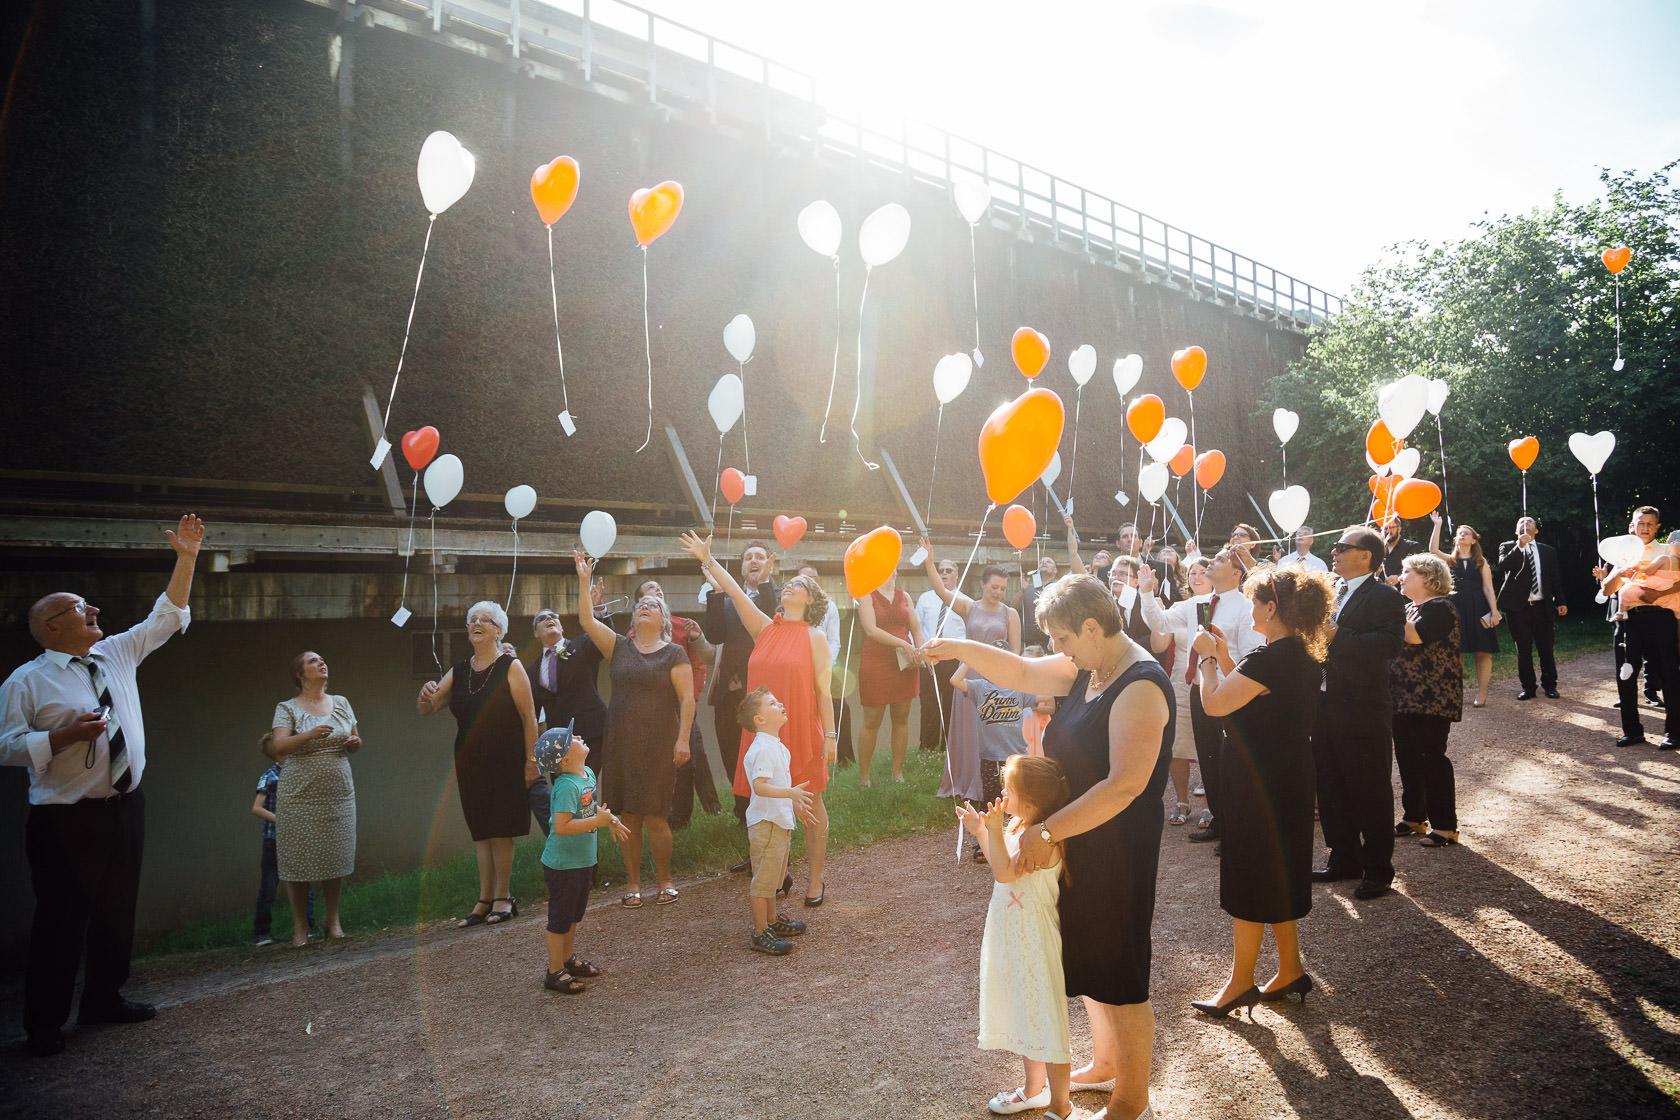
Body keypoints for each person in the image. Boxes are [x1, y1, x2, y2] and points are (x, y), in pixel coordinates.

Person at [923, 574, 1174, 1120]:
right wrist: (955, 647)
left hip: (1117, 850)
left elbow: (1125, 785)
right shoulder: (1090, 668)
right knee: (1087, 959)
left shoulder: (1140, 684)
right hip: (1077, 840)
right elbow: (1018, 672)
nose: (1057, 651)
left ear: (1091, 626)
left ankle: (1131, 1099)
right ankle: (1104, 1065)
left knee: (1122, 971)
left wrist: (1045, 831)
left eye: (1062, 638)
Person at [0, 514, 204, 1057]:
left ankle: (103, 1000)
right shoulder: (26, 681)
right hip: (65, 818)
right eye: (78, 608)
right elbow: (4, 745)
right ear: (51, 628)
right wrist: (63, 736)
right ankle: (44, 1023)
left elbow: (167, 616)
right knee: (62, 919)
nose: (93, 611)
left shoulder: (115, 653)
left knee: (118, 909)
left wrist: (185, 558)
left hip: (125, 805)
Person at [1189, 565, 1334, 1016]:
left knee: (1251, 872)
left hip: (1259, 782)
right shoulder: (1299, 654)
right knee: (1279, 869)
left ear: (1271, 608)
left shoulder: (1271, 659)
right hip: (1288, 774)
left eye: (1255, 601)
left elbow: (1216, 703)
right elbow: (1250, 693)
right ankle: (1290, 967)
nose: (1249, 607)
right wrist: (1228, 657)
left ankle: (1239, 983)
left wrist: (1207, 657)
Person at [681, 531, 836, 904]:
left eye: (799, 585)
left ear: (811, 599)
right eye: (791, 583)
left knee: (810, 807)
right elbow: (734, 591)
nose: (790, 587)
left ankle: (816, 880)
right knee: (766, 807)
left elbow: (823, 692)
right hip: (764, 734)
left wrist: (830, 736)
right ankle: (777, 875)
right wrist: (709, 559)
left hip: (799, 729)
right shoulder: (765, 628)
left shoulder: (815, 637)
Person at [572, 552, 695, 906]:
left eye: (652, 606)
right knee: (627, 814)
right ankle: (633, 883)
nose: (644, 608)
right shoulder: (619, 646)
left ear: (663, 620)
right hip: (621, 742)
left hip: (660, 742)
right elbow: (585, 620)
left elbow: (687, 700)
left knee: (656, 815)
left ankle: (666, 879)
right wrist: (583, 582)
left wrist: (683, 739)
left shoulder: (674, 653)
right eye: (640, 605)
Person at [957, 755, 1073, 1120]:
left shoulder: (1041, 838)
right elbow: (999, 864)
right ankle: (1033, 1089)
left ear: (1033, 801)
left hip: (1036, 939)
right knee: (1026, 1012)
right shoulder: (1020, 826)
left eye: (1010, 788)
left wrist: (992, 830)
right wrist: (981, 832)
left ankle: (1061, 1103)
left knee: (1047, 1015)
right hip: (1014, 933)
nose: (1003, 792)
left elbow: (1006, 875)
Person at [416, 602, 540, 926]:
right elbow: (428, 708)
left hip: (508, 758)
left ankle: (504, 896)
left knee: (502, 829)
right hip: (470, 761)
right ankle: (484, 900)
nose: (476, 623)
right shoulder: (459, 670)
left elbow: (529, 718)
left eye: (485, 620)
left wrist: (532, 762)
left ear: (499, 630)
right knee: (482, 831)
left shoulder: (511, 666)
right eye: (472, 620)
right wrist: (424, 693)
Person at [1139, 550, 1261, 845]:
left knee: (1232, 760)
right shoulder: (1195, 604)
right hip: (1199, 691)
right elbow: (1160, 622)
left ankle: (1237, 827)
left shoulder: (1246, 608)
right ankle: (1219, 822)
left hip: (1231, 692)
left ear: (1235, 573)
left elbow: (1250, 656)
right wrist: (1145, 591)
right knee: (1208, 757)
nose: (1209, 566)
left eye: (1218, 562)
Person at [1312, 527, 1407, 900]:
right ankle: (1344, 857)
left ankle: (1378, 869)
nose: (1333, 553)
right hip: (1325, 704)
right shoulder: (1333, 591)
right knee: (1332, 785)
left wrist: (1339, 637)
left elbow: (1390, 645)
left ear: (1365, 556)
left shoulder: (1384, 596)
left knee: (1369, 788)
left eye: (1341, 548)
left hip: (1363, 708)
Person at [269, 651, 361, 947]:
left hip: (338, 791)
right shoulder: (287, 707)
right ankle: (300, 928)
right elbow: (279, 745)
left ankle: (332, 921)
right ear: (300, 674)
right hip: (300, 793)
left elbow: (355, 741)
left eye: (323, 660)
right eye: (313, 661)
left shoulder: (343, 702)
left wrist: (355, 743)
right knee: (298, 859)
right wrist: (308, 735)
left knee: (335, 854)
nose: (322, 663)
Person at [922, 545, 1022, 801]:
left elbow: (1016, 653)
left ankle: (994, 784)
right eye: (994, 587)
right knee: (968, 733)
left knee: (992, 733)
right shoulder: (969, 608)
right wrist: (930, 562)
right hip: (967, 676)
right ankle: (967, 782)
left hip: (995, 678)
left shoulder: (1010, 614)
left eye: (1002, 588)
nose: (998, 592)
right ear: (982, 585)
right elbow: (941, 591)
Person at [535, 726, 630, 994]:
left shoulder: (586, 774)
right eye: (572, 739)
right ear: (564, 759)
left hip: (583, 860)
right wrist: (597, 821)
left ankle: (566, 960)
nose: (578, 737)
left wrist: (608, 819)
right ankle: (554, 972)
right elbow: (562, 825)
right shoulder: (565, 786)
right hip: (563, 865)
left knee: (573, 915)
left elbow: (589, 809)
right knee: (559, 919)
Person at [630, 578, 720, 830]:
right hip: (653, 708)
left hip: (683, 702)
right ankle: (675, 812)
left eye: (659, 587)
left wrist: (692, 696)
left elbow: (701, 663)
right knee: (679, 756)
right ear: (639, 603)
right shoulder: (632, 636)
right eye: (649, 588)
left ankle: (696, 812)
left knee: (692, 756)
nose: (657, 589)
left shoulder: (682, 625)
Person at [700, 540, 779, 824]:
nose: (754, 561)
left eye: (760, 557)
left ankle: (769, 810)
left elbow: (773, 619)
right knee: (732, 750)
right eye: (748, 558)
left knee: (765, 752)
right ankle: (742, 812)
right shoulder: (728, 598)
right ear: (741, 566)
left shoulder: (777, 594)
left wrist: (767, 582)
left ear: (769, 563)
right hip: (730, 690)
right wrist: (716, 593)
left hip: (763, 690)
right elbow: (715, 635)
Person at [1391, 554, 1466, 847]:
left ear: (1427, 577)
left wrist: (1390, 605)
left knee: (1431, 758)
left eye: (1406, 572)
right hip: (1403, 696)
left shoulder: (1441, 608)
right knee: (1407, 757)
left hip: (1433, 697)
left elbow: (1415, 637)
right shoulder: (1410, 607)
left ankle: (1446, 826)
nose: (1401, 577)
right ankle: (1414, 817)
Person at [736, 687, 817, 955]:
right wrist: (791, 793)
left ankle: (771, 922)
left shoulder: (776, 747)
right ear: (759, 719)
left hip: (778, 821)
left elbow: (776, 785)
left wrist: (794, 804)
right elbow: (759, 787)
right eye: (772, 703)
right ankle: (760, 933)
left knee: (773, 878)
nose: (780, 703)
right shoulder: (763, 749)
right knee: (764, 881)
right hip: (767, 824)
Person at [1106, 556, 1185, 821]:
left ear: (1135, 579)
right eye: (1112, 572)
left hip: (1144, 682)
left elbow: (1157, 644)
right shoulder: (1105, 606)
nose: (1114, 576)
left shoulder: (1149, 604)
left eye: (1122, 573)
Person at [526, 594, 611, 834]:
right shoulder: (532, 670)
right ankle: (571, 860)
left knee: (585, 793)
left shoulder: (582, 645)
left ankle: (589, 864)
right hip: (558, 746)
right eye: (542, 618)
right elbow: (530, 712)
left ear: (561, 626)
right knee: (566, 801)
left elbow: (603, 641)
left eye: (554, 616)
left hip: (592, 735)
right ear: (536, 633)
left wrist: (598, 611)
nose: (549, 618)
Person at [1599, 507, 1678, 748]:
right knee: (1626, 674)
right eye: (1640, 523)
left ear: (1657, 527)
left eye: (1650, 523)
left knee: (1669, 675)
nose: (1644, 527)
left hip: (1661, 619)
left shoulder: (1668, 551)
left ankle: (1674, 733)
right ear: (1632, 525)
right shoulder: (1623, 554)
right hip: (1629, 621)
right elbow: (1607, 590)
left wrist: (1658, 592)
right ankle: (1632, 731)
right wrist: (1618, 573)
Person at [855, 569, 924, 786]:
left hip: (904, 662)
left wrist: (919, 650)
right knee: (872, 719)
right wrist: (904, 643)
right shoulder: (866, 594)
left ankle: (897, 774)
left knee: (902, 716)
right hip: (877, 660)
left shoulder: (905, 596)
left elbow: (916, 627)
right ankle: (864, 778)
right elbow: (871, 630)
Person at [1427, 513, 1500, 708]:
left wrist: (1494, 611)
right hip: (1454, 609)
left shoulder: (1481, 562)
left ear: (1473, 540)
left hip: (1479, 609)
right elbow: (1432, 549)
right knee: (1455, 651)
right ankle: (1456, 693)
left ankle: (1482, 693)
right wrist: (1438, 524)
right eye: (1459, 533)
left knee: (1482, 651)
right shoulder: (1449, 560)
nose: (1462, 536)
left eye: (1466, 533)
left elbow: (1488, 588)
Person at [1494, 516, 1569, 700]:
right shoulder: (1508, 546)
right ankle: (1528, 688)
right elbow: (1503, 566)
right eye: (1521, 523)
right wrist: (1519, 545)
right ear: (1515, 530)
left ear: (1536, 530)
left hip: (1542, 607)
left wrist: (1561, 601)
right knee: (1524, 650)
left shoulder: (1548, 551)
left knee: (1546, 649)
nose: (1525, 524)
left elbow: (1555, 578)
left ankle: (1550, 686)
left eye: (1530, 523)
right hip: (1517, 609)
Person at [950, 664, 1036, 822]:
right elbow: (955, 680)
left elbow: (1045, 698)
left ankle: (1015, 839)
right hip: (991, 758)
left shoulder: (1018, 688)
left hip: (1016, 757)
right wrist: (968, 660)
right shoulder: (980, 686)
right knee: (990, 802)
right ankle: (987, 839)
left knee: (1018, 801)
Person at [251, 733, 314, 946]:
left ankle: (308, 927)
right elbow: (256, 808)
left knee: (305, 883)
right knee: (269, 886)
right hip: (274, 840)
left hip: (296, 839)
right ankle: (261, 933)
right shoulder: (270, 776)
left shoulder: (298, 775)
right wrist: (281, 819)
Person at [799, 564, 854, 769]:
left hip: (826, 667)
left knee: (841, 709)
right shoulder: (795, 607)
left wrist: (825, 667)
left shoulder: (829, 605)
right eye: (802, 580)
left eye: (811, 578)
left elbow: (834, 641)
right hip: (800, 668)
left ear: (818, 579)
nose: (807, 582)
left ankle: (845, 761)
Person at [917, 556, 970, 754]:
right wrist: (920, 651)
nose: (945, 574)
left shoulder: (966, 601)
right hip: (929, 658)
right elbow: (917, 627)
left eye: (949, 570)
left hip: (952, 660)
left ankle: (948, 750)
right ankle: (927, 750)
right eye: (941, 570)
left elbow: (968, 634)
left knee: (951, 706)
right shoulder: (925, 598)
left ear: (957, 574)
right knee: (928, 704)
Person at [1020, 554, 1061, 649]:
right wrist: (1022, 591)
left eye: (1048, 561)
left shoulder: (1059, 588)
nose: (1044, 562)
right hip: (1028, 645)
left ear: (1055, 570)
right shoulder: (1027, 588)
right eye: (1041, 561)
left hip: (1050, 645)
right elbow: (1013, 607)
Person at [1380, 516, 1422, 585]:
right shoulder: (1379, 548)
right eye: (1385, 528)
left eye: (1390, 527)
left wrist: (1399, 577)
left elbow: (1417, 570)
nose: (1387, 531)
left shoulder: (1412, 546)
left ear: (1399, 529)